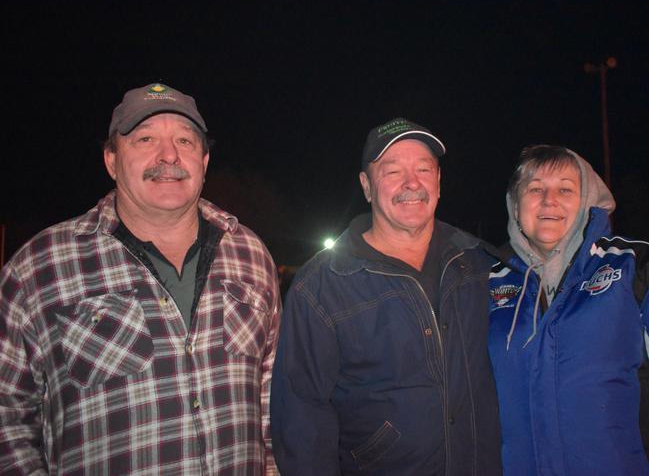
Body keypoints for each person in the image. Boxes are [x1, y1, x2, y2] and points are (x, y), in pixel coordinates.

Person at [0, 83, 280, 475]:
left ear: (204, 159)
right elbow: (8, 414)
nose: (169, 156)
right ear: (111, 160)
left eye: (185, 140)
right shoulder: (40, 267)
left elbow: (269, 396)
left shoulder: (250, 254)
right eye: (145, 139)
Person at [271, 118, 502, 475]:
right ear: (366, 186)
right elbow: (301, 420)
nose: (412, 183)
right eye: (392, 171)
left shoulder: (478, 265)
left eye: (424, 169)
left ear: (439, 182)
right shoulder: (321, 285)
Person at [488, 145, 649, 475]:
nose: (549, 200)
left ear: (586, 201)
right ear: (515, 205)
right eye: (535, 189)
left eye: (565, 188)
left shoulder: (632, 264)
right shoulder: (485, 282)